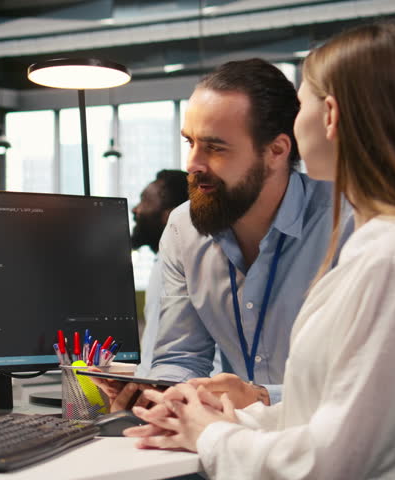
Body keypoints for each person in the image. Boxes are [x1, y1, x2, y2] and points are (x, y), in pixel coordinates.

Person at [126, 21, 395, 479]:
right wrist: (200, 417)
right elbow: (325, 416)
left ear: (329, 115)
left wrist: (213, 435)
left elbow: (330, 458)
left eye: (302, 102)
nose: (192, 164)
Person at [99, 58, 352, 411]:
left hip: (326, 433)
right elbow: (181, 357)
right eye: (190, 142)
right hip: (227, 436)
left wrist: (263, 398)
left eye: (215, 148)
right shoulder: (184, 229)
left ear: (276, 151)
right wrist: (161, 396)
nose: (192, 164)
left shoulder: (347, 223)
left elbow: (365, 380)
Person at [130, 169, 188, 376]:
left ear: (171, 216)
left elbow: (159, 354)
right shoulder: (163, 261)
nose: (135, 209)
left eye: (145, 201)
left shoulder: (176, 265)